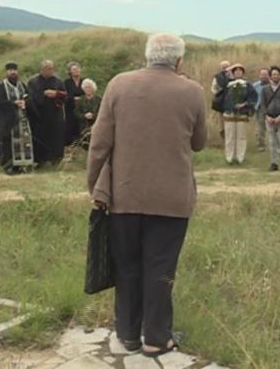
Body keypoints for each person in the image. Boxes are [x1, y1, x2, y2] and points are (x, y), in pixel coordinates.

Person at [87, 33, 207, 357]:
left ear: (147, 56)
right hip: (172, 198)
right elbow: (199, 142)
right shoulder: (193, 91)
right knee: (161, 268)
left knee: (127, 266)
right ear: (178, 61)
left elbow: (99, 142)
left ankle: (127, 334)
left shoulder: (118, 85)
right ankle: (157, 338)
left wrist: (94, 185)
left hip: (124, 195)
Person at [0, 62, 31, 174]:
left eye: (14, 70)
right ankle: (8, 166)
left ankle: (21, 166)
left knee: (23, 142)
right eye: (10, 70)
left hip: (21, 120)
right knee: (8, 144)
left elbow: (28, 97)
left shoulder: (22, 85)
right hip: (7, 121)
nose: (13, 72)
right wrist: (13, 103)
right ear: (6, 73)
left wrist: (25, 102)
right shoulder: (1, 87)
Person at [26, 60, 66, 166]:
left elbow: (65, 96)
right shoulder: (33, 81)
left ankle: (55, 160)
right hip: (39, 115)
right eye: (48, 68)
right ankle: (40, 161)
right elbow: (30, 98)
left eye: (52, 68)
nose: (50, 71)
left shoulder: (58, 81)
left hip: (55, 115)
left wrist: (56, 94)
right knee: (40, 138)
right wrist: (43, 94)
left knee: (55, 138)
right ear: (42, 69)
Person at [221, 64, 257, 164]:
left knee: (241, 136)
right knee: (229, 136)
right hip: (229, 113)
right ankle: (229, 158)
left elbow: (253, 97)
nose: (238, 72)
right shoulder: (228, 84)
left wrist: (244, 104)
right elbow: (221, 96)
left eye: (240, 71)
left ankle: (240, 158)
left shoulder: (247, 85)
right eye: (235, 71)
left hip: (242, 113)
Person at [261, 65, 280, 172]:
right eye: (273, 74)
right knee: (272, 142)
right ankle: (274, 163)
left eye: (277, 74)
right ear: (270, 76)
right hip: (269, 119)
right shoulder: (265, 89)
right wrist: (266, 116)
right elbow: (263, 104)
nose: (275, 76)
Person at [74, 78, 101, 150]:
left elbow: (102, 112)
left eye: (89, 87)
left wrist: (94, 116)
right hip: (84, 126)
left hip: (96, 125)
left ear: (93, 88)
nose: (88, 89)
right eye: (86, 87)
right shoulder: (80, 100)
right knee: (85, 146)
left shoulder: (99, 99)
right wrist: (84, 116)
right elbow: (76, 113)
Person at [63, 62, 85, 147]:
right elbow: (65, 95)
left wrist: (82, 99)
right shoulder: (66, 82)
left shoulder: (84, 81)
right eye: (74, 69)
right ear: (70, 72)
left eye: (77, 69)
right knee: (70, 124)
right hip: (70, 107)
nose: (76, 71)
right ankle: (71, 142)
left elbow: (89, 92)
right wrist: (73, 99)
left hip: (82, 107)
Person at [210, 60, 232, 139]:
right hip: (221, 102)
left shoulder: (233, 76)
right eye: (223, 67)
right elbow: (213, 88)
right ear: (221, 68)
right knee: (222, 122)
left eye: (227, 67)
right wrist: (219, 93)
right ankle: (223, 136)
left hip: (231, 102)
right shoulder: (217, 76)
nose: (225, 69)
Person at [252, 68, 270, 151]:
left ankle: (276, 146)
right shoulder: (255, 85)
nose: (263, 76)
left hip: (270, 108)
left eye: (265, 74)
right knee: (260, 128)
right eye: (262, 74)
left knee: (273, 128)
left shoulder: (272, 85)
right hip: (259, 109)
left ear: (269, 75)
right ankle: (261, 145)